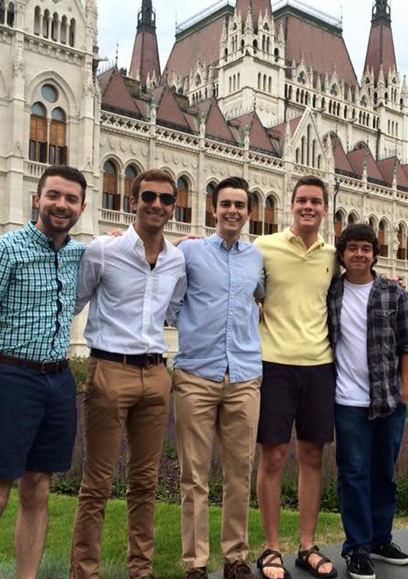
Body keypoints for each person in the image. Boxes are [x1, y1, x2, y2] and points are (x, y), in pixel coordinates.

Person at [0, 165, 88, 579]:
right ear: (37, 199)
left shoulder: (76, 254)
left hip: (58, 381)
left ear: (82, 207)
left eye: (71, 199)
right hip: (10, 378)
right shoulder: (4, 249)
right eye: (54, 195)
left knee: (38, 489)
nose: (61, 205)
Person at [69, 169, 187, 579]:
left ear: (175, 207)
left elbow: (175, 311)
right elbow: (75, 300)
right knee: (97, 484)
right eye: (149, 196)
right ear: (132, 200)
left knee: (145, 483)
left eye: (166, 199)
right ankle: (84, 572)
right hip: (109, 370)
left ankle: (141, 569)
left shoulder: (176, 260)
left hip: (156, 376)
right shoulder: (103, 250)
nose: (157, 204)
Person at [171, 177, 264, 579]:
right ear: (213, 209)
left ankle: (235, 557)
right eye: (225, 204)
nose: (232, 211)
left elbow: (261, 297)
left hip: (243, 375)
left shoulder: (256, 258)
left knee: (240, 472)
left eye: (239, 205)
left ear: (248, 212)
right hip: (196, 375)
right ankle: (195, 562)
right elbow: (166, 292)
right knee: (194, 476)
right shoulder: (189, 251)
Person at [254, 175, 338, 579]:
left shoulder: (332, 256)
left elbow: (356, 284)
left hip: (319, 366)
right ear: (292, 205)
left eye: (316, 201)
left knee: (311, 457)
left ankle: (307, 545)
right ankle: (271, 548)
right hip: (273, 364)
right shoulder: (264, 246)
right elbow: (227, 258)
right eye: (302, 200)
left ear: (325, 208)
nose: (308, 207)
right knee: (272, 457)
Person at [326, 224, 408, 579]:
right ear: (342, 254)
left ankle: (381, 539)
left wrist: (404, 391)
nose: (359, 254)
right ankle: (357, 548)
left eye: (366, 248)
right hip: (348, 400)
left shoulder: (393, 293)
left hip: (389, 399)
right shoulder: (331, 292)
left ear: (375, 254)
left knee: (384, 472)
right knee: (353, 476)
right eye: (352, 249)